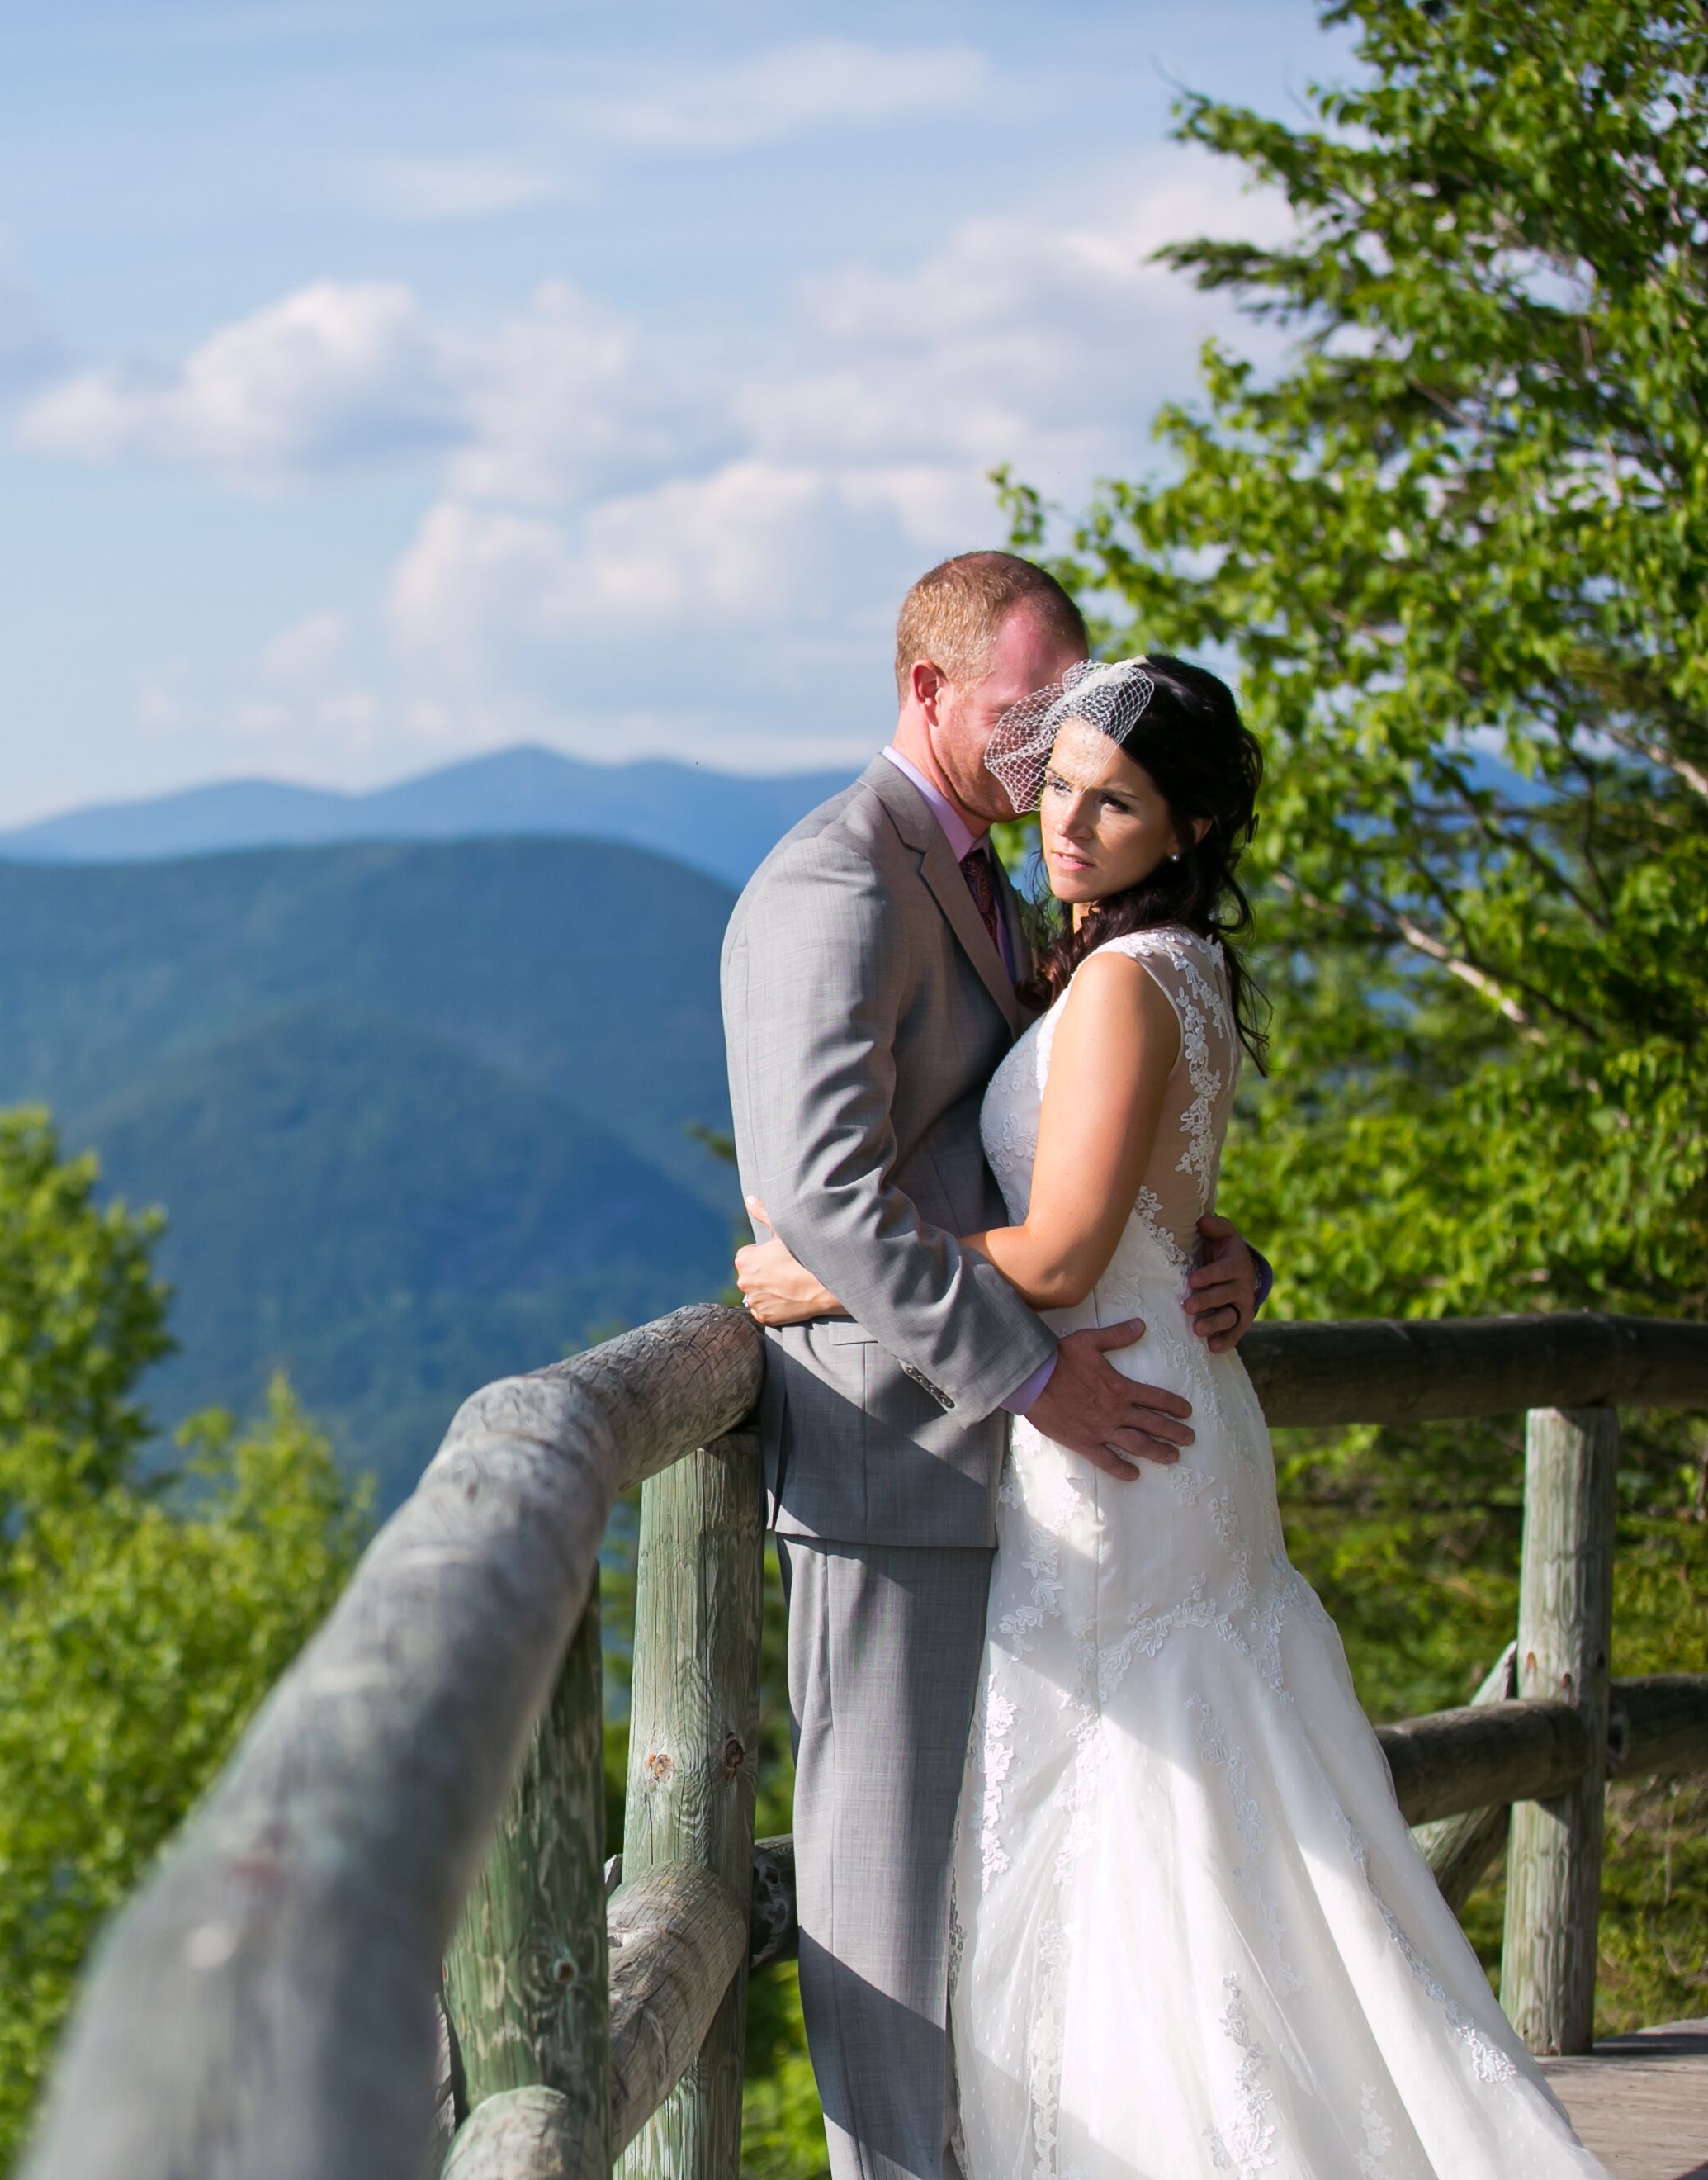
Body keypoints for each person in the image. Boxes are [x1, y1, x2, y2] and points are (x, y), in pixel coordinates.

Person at [736, 652, 1605, 2175]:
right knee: (1181, 1815)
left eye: (1113, 803)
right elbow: (1147, 1206)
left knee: (1145, 1822)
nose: (1067, 823)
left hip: (1116, 1438)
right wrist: (1219, 1245)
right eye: (1059, 784)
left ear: (1186, 829)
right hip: (1147, 1411)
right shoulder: (1140, 965)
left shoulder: (1133, 981)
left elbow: (1070, 1252)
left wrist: (832, 1283)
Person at [716, 552, 1266, 2180]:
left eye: (1078, 725)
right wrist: (1031, 1377)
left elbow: (1048, 1146)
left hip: (1022, 1476)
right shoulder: (839, 881)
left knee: (1014, 1918)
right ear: (934, 693)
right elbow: (826, 1194)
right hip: (896, 1463)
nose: (1052, 764)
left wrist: (1203, 1245)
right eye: (1031, 719)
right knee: (888, 1936)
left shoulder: (995, 877)